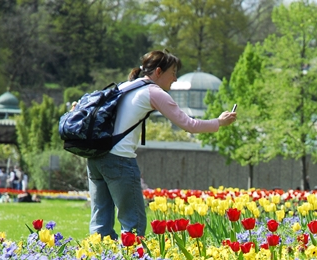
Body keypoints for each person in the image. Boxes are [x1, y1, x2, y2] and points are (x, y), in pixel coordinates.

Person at [85, 50, 236, 239]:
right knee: (133, 225)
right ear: (158, 71)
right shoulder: (153, 92)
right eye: (173, 72)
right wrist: (219, 122)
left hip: (96, 157)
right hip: (120, 160)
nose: (175, 79)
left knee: (100, 225)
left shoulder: (126, 86)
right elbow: (189, 125)